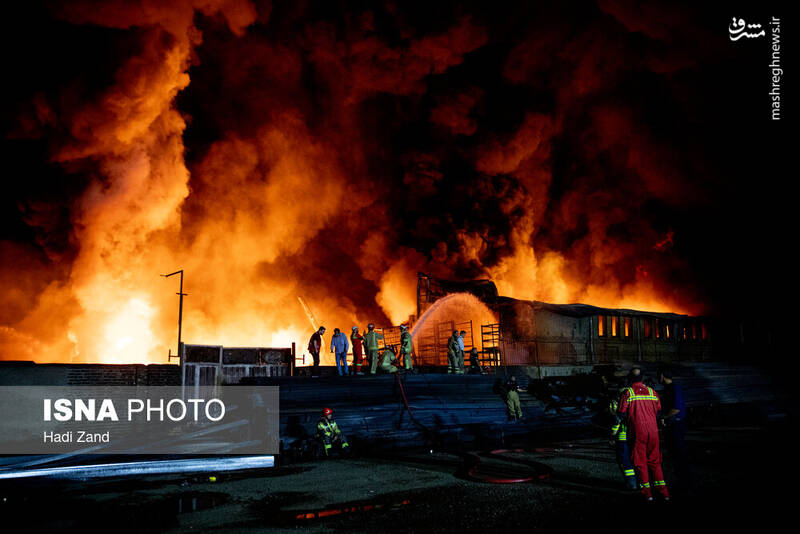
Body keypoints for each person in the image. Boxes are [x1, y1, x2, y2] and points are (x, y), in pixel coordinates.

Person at [618, 370, 670, 501]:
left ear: (630, 379)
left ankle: (647, 494)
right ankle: (664, 493)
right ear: (642, 379)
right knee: (655, 461)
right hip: (653, 432)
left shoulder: (628, 393)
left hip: (637, 432)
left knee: (640, 462)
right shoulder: (653, 392)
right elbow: (658, 412)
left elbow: (621, 413)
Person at [659, 366, 693, 494]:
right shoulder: (669, 388)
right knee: (676, 456)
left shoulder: (674, 388)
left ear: (662, 375)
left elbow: (676, 409)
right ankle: (683, 483)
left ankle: (687, 485)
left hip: (676, 426)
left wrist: (664, 417)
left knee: (680, 456)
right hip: (672, 426)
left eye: (659, 375)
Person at [609, 396, 638, 490]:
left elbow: (616, 421)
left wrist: (612, 436)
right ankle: (641, 482)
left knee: (624, 461)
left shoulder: (616, 402)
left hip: (622, 438)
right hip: (635, 436)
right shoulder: (635, 400)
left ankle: (631, 483)